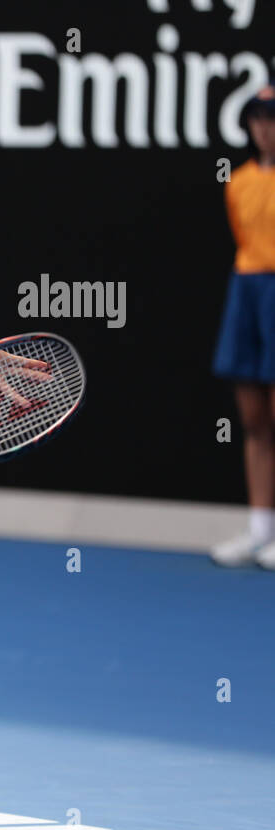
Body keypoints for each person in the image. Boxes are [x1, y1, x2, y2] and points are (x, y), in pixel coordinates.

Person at [211, 85, 275, 569]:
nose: (264, 125)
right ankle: (259, 531)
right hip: (247, 291)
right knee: (253, 419)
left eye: (271, 117)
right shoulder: (239, 181)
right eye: (257, 117)